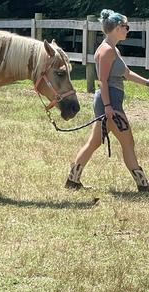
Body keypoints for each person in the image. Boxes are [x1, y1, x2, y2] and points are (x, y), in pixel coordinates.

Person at [65, 9, 149, 192]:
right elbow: (102, 81)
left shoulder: (113, 49)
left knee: (94, 143)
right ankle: (143, 185)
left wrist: (147, 83)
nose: (128, 30)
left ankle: (73, 180)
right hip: (109, 103)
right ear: (117, 28)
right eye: (125, 26)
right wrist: (109, 107)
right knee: (128, 142)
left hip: (109, 103)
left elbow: (126, 73)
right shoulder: (106, 51)